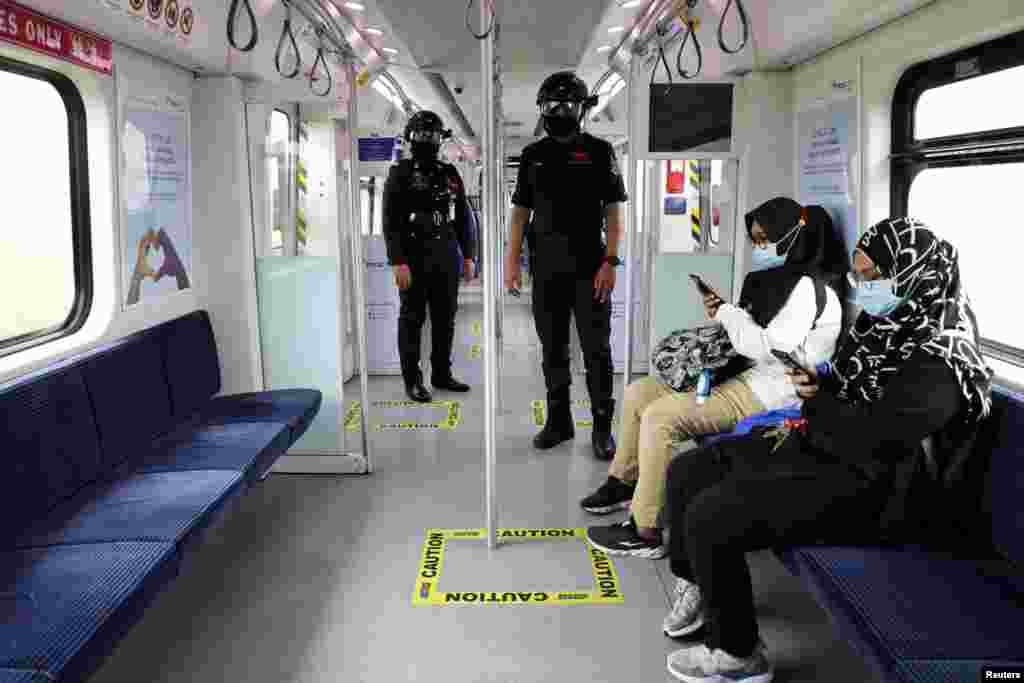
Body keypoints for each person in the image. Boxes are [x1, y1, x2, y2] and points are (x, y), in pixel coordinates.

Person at [660, 217, 993, 682]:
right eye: (860, 276)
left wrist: (818, 402)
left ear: (913, 274)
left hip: (880, 489)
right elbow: (845, 397)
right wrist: (819, 386)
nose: (866, 287)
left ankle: (738, 655)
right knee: (690, 472)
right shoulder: (885, 328)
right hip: (829, 449)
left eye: (874, 276)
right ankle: (701, 583)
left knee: (713, 513)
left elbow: (877, 436)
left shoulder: (940, 359)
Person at [584, 197, 846, 558]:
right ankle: (626, 480)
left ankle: (645, 530)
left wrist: (727, 314)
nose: (759, 248)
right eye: (754, 239)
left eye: (764, 239)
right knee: (638, 393)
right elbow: (748, 332)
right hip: (737, 373)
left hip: (768, 390)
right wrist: (726, 312)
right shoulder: (772, 281)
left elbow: (765, 347)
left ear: (790, 238)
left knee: (660, 417)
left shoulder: (807, 289)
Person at [504, 71, 626, 459]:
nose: (559, 111)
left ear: (581, 109)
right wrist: (511, 260)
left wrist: (611, 261)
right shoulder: (532, 156)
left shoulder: (600, 151)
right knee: (553, 350)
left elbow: (613, 215)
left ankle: (603, 428)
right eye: (551, 105)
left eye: (567, 105)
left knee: (597, 351)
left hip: (591, 270)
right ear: (541, 110)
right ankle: (559, 422)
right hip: (546, 271)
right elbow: (520, 213)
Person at [382, 110, 475, 403]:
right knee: (412, 320)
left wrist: (469, 256)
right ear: (410, 137)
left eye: (432, 134)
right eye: (421, 134)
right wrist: (397, 260)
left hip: (445, 254)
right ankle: (412, 380)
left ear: (440, 139)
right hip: (413, 254)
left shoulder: (450, 174)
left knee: (445, 319)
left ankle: (441, 374)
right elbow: (390, 220)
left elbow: (463, 217)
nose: (427, 139)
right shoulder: (400, 173)